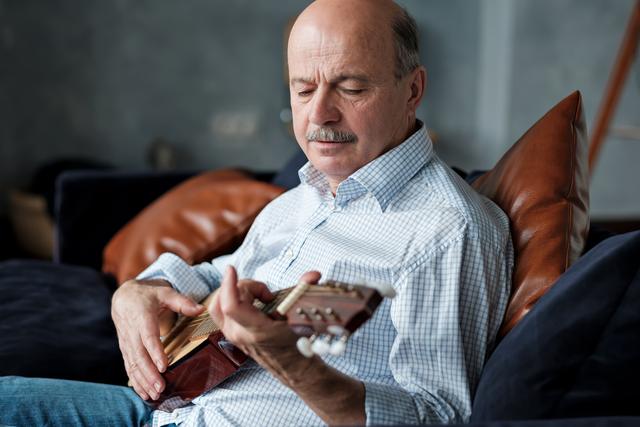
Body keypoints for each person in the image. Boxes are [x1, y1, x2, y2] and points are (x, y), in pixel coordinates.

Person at [0, 0, 513, 425]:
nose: (319, 115)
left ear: (413, 90)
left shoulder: (449, 230)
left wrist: (292, 361)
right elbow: (214, 275)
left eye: (352, 88)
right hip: (163, 411)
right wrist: (140, 288)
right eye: (303, 89)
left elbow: (438, 416)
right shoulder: (304, 197)